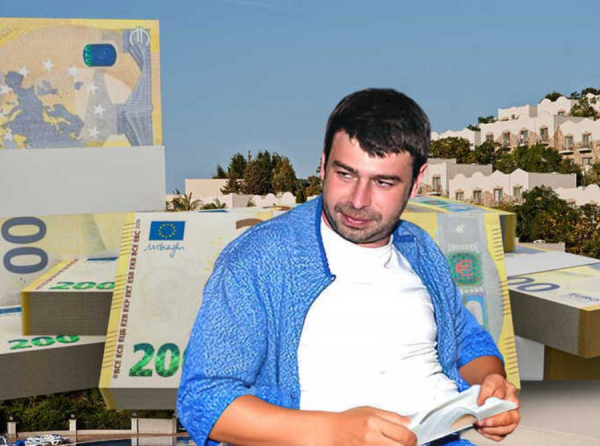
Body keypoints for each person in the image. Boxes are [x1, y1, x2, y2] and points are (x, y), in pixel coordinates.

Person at [177, 88, 520, 446]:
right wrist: (335, 431)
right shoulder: (260, 259)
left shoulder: (420, 249)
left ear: (417, 182)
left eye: (383, 182)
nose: (358, 200)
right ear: (323, 163)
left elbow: (465, 339)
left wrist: (491, 386)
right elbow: (203, 400)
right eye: (345, 174)